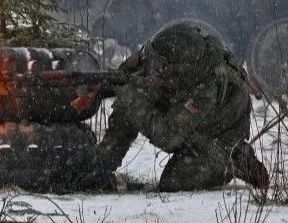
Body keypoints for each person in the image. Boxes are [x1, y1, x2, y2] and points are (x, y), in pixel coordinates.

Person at [90, 23, 269, 191]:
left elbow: (169, 137)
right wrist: (106, 86)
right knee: (131, 99)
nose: (152, 67)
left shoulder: (206, 88)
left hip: (216, 136)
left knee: (174, 181)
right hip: (189, 115)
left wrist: (131, 99)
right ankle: (102, 164)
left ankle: (234, 160)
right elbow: (128, 74)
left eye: (159, 65)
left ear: (176, 70)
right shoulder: (169, 52)